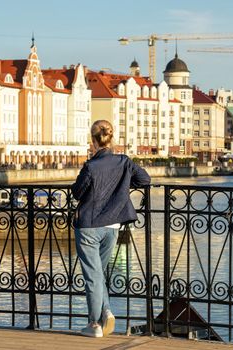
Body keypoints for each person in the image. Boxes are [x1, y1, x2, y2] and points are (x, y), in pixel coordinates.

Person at [72, 120, 151, 338]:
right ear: (111, 137)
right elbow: (145, 179)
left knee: (93, 276)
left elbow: (77, 193)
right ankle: (106, 311)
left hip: (89, 225)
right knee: (98, 274)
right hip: (112, 226)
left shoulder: (91, 166)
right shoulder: (124, 162)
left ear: (93, 140)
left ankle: (94, 324)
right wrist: (123, 185)